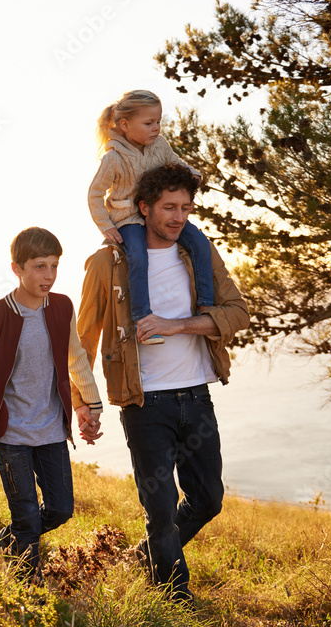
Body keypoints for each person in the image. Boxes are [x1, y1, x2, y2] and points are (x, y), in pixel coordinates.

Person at [77, 164, 250, 604]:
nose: (178, 217)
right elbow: (83, 338)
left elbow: (238, 313)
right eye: (169, 207)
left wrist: (178, 326)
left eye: (186, 208)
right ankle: (174, 595)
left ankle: (147, 556)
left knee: (209, 498)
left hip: (197, 394)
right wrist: (84, 403)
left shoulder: (198, 254)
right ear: (143, 207)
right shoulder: (106, 263)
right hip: (143, 402)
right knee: (159, 510)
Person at [0, 227, 103, 579]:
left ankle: (11, 540)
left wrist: (92, 406)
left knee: (61, 509)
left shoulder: (62, 307)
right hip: (11, 434)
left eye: (54, 266)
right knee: (25, 512)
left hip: (52, 430)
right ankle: (29, 587)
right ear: (17, 269)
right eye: (40, 266)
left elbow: (76, 360)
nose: (49, 276)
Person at [88, 90, 214, 345]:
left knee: (200, 244)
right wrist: (106, 226)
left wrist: (192, 173)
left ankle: (206, 306)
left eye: (158, 121)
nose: (156, 128)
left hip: (158, 213)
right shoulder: (113, 158)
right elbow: (95, 195)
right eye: (149, 123)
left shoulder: (159, 145)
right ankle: (143, 319)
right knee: (137, 254)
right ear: (125, 125)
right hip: (129, 217)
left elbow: (175, 162)